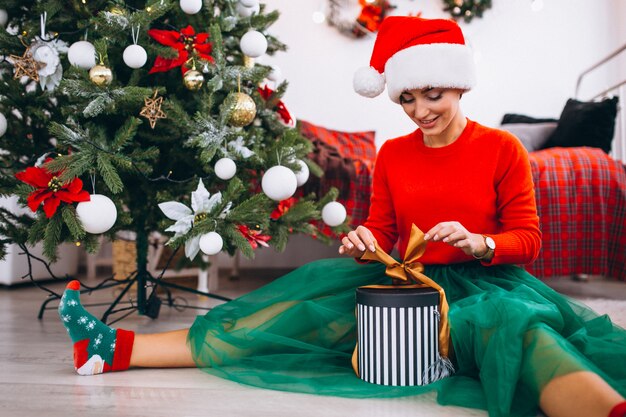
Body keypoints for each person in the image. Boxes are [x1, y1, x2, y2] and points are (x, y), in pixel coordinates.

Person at [57, 16, 626, 417]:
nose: (420, 111)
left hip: (485, 286)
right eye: (407, 99)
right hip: (404, 285)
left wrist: (479, 242)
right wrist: (363, 241)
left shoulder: (501, 149)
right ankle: (113, 348)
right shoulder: (394, 154)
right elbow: (381, 230)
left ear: (457, 82)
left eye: (433, 94)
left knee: (527, 335)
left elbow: (528, 240)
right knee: (282, 313)